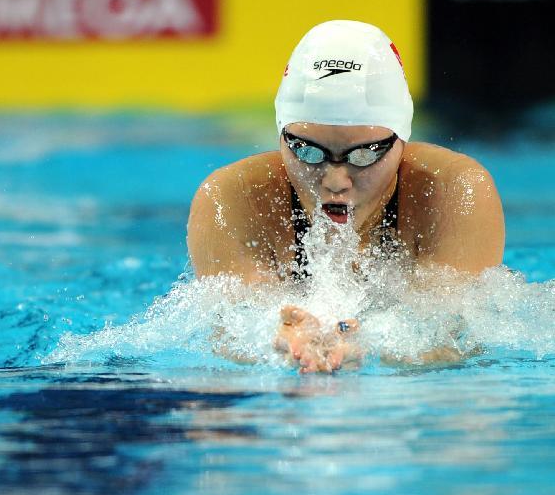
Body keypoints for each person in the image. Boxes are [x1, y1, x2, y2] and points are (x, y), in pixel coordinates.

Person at [187, 20, 504, 373]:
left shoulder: (452, 191)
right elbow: (228, 339)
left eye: (364, 155)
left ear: (402, 141)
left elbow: (452, 341)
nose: (336, 181)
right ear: (281, 137)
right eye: (307, 152)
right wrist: (272, 345)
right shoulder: (234, 198)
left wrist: (371, 349)